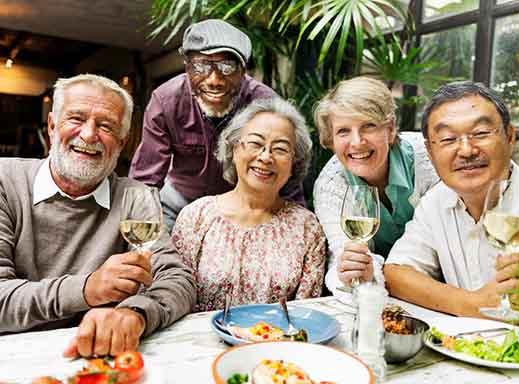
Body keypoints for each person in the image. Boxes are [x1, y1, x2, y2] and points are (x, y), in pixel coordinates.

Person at [0, 74, 197, 357]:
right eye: (77, 119)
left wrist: (135, 313)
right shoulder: (5, 182)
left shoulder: (135, 197)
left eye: (106, 126)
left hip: (97, 358)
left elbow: (177, 278)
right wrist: (87, 289)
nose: (89, 134)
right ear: (53, 126)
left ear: (121, 143)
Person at [130, 19, 304, 233]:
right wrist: (136, 234)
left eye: (227, 67)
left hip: (241, 206)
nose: (213, 80)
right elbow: (146, 179)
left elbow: (285, 173)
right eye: (201, 66)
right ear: (187, 67)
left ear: (243, 70)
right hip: (177, 202)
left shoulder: (265, 103)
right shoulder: (166, 100)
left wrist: (297, 229)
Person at [171, 97, 326, 312]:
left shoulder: (307, 228)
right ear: (234, 149)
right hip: (201, 341)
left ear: (294, 162)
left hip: (276, 342)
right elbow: (175, 294)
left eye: (280, 149)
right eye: (255, 143)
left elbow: (306, 311)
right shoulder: (196, 216)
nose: (265, 157)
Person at [384, 81, 519, 317]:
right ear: (430, 151)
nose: (467, 150)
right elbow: (397, 273)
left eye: (480, 133)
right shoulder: (436, 201)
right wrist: (471, 305)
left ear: (509, 137)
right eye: (448, 139)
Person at [312, 77, 439, 293]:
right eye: (343, 131)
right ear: (331, 139)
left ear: (390, 130)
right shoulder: (331, 184)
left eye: (368, 126)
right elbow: (342, 256)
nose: (357, 142)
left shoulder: (429, 159)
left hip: (438, 285)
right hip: (378, 292)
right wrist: (350, 270)